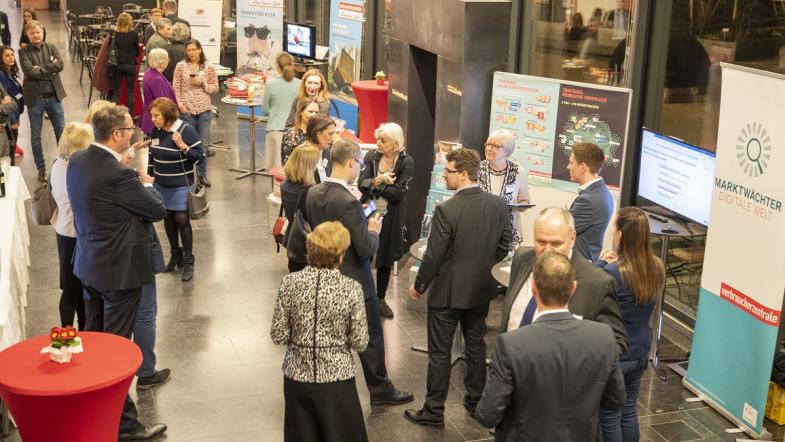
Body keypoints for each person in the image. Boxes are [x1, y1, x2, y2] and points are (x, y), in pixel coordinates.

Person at [66, 105, 167, 441]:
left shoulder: (78, 160)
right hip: (119, 273)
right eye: (130, 127)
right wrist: (144, 182)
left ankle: (90, 403)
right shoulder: (120, 175)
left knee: (93, 341)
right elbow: (155, 209)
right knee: (116, 351)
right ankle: (126, 426)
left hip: (88, 265)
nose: (135, 131)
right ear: (117, 135)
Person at [404, 148, 512, 427]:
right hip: (480, 290)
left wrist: (419, 285)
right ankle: (476, 402)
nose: (444, 176)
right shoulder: (498, 206)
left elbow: (434, 254)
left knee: (440, 351)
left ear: (463, 174)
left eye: (448, 171)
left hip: (447, 293)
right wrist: (485, 266)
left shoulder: (447, 210)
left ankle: (434, 409)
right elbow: (505, 245)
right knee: (475, 347)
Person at [306, 139, 414, 407]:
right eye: (360, 164)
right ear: (352, 161)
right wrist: (374, 231)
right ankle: (380, 388)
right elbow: (365, 248)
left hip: (324, 275)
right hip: (354, 278)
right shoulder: (348, 202)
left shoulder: (314, 192)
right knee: (370, 335)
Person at [475, 252, 626, 441]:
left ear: (534, 288)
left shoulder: (512, 345)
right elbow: (616, 399)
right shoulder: (603, 338)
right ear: (573, 288)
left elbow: (487, 415)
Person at [271, 221, 370, 442]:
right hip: (337, 379)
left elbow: (278, 334)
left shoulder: (289, 283)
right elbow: (360, 341)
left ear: (310, 250)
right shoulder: (351, 288)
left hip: (297, 377)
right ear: (340, 256)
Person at [499, 207, 629, 354]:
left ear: (572, 238)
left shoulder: (597, 282)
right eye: (541, 242)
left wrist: (573, 360)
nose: (547, 250)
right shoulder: (522, 258)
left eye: (556, 244)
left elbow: (618, 343)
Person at [598, 207, 664, 442]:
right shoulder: (656, 267)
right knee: (628, 411)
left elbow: (598, 291)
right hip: (640, 351)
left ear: (621, 235)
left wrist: (601, 263)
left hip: (618, 353)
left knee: (609, 414)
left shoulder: (613, 272)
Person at [120, 146, 173, 391]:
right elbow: (157, 209)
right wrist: (148, 185)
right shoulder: (127, 179)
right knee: (144, 314)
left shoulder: (83, 170)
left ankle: (116, 370)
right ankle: (146, 372)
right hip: (137, 257)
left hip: (107, 261)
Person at [358, 122, 414, 319]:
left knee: (385, 257)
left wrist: (374, 185)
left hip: (393, 214)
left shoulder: (406, 162)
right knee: (363, 252)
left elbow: (398, 193)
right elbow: (361, 184)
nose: (378, 143)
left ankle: (380, 299)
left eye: (383, 140)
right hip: (368, 209)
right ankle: (361, 296)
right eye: (377, 139)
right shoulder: (370, 156)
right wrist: (379, 180)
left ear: (396, 143)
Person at [147, 97, 205, 282]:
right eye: (152, 116)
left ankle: (188, 260)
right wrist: (150, 180)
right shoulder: (155, 131)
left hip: (181, 183)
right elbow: (151, 156)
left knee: (181, 218)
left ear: (167, 115)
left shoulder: (185, 130)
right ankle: (175, 254)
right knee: (168, 219)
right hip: (161, 184)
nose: (153, 119)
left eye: (156, 116)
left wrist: (183, 146)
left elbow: (200, 157)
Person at [50, 123, 93, 330]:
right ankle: (80, 334)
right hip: (77, 234)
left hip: (63, 231)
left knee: (69, 288)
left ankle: (68, 334)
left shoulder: (57, 163)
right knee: (79, 289)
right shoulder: (78, 170)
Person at [19, 19, 65, 183]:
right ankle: (41, 169)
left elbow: (60, 65)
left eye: (38, 32)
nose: (35, 35)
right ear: (27, 35)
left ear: (42, 32)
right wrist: (49, 68)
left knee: (62, 133)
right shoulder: (23, 52)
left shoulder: (51, 47)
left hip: (54, 97)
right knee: (35, 136)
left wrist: (40, 69)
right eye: (32, 33)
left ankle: (64, 164)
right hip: (35, 99)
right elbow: (29, 71)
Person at [172, 39, 218, 187]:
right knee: (188, 144)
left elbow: (215, 88)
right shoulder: (180, 66)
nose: (191, 52)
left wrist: (203, 84)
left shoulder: (208, 66)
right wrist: (180, 106)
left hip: (204, 110)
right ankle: (188, 175)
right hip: (187, 110)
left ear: (199, 50)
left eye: (193, 49)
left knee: (203, 145)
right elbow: (176, 88)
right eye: (188, 50)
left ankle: (202, 175)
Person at [478, 129, 530, 247]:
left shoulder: (518, 171)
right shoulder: (477, 169)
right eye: (488, 144)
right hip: (481, 232)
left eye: (495, 146)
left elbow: (524, 198)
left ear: (507, 151)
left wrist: (522, 205)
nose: (489, 149)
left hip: (509, 234)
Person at [567, 142, 614, 263]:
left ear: (582, 167)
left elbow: (562, 231)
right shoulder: (603, 192)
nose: (568, 167)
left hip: (577, 267)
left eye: (571, 163)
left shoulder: (588, 200)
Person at [280, 144, 320, 272]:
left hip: (293, 238)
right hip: (310, 245)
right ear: (309, 167)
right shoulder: (311, 191)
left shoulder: (285, 185)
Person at [263, 52, 300, 171]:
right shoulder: (300, 84)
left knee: (276, 171)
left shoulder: (270, 84)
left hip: (274, 130)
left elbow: (265, 110)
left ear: (277, 66)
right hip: (295, 131)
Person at [109, 13, 139, 115]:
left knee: (117, 91)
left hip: (117, 66)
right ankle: (130, 115)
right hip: (130, 65)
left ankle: (114, 115)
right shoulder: (134, 34)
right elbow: (137, 51)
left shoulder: (114, 34)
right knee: (130, 92)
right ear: (130, 21)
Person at [141, 48, 177, 135]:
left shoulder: (149, 73)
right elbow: (163, 104)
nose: (168, 61)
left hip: (151, 117)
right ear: (161, 63)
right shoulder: (156, 79)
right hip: (157, 121)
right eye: (167, 59)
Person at [280, 98, 319, 166]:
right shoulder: (291, 135)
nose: (314, 115)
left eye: (316, 112)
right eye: (310, 111)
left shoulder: (320, 134)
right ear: (301, 112)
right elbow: (286, 164)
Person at [0, 46, 22, 164]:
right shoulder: (1, 75)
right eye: (7, 55)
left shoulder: (10, 73)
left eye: (12, 55)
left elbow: (13, 100)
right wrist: (13, 121)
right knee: (9, 153)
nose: (11, 58)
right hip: (8, 120)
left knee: (11, 151)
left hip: (14, 116)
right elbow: (8, 102)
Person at [304, 114, 336, 183]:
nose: (332, 138)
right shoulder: (302, 155)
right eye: (330, 134)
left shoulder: (327, 152)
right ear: (317, 133)